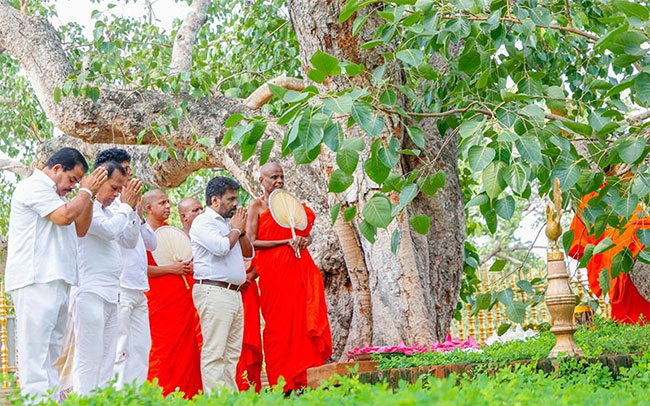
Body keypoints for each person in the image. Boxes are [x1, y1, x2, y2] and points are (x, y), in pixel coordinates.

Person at [5, 148, 106, 401]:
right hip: (35, 278)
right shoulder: (33, 186)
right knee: (35, 355)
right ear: (57, 168)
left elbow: (81, 227)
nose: (73, 187)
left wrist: (89, 196)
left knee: (51, 354)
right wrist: (86, 191)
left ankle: (47, 401)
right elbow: (65, 217)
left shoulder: (61, 196)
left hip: (59, 279)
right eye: (72, 179)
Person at [246, 162, 332, 391]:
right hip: (274, 276)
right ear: (261, 180)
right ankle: (283, 384)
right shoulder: (256, 206)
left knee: (304, 323)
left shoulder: (291, 205)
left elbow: (307, 234)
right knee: (279, 327)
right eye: (273, 177)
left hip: (299, 269)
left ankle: (307, 379)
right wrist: (284, 242)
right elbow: (251, 242)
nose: (279, 181)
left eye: (281, 177)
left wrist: (304, 240)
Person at [72, 160, 142, 395]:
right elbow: (110, 230)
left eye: (122, 189)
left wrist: (131, 208)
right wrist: (126, 207)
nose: (117, 194)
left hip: (113, 294)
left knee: (106, 361)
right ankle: (84, 400)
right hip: (89, 292)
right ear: (99, 180)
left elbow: (130, 241)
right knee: (88, 360)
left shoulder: (114, 211)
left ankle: (100, 401)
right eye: (114, 188)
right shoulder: (85, 208)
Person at [94, 149, 158, 388]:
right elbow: (124, 240)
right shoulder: (106, 204)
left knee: (141, 347)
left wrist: (136, 211)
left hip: (138, 286)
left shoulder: (129, 203)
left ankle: (136, 396)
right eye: (124, 168)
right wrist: (127, 207)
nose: (130, 173)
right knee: (119, 349)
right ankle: (117, 396)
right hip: (119, 285)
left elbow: (151, 243)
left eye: (129, 169)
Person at [190, 176, 253, 392]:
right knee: (215, 352)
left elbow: (248, 253)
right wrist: (235, 229)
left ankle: (229, 398)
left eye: (236, 198)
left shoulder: (230, 223)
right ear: (215, 200)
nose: (235, 203)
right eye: (230, 199)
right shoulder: (202, 222)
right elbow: (220, 247)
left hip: (234, 294)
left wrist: (241, 230)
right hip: (213, 290)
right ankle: (216, 399)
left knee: (232, 353)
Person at [144, 189, 203, 398]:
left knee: (188, 349)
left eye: (168, 202)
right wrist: (172, 269)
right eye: (162, 203)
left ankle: (189, 395)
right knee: (162, 350)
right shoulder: (142, 235)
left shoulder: (171, 232)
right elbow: (140, 268)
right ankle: (161, 395)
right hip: (158, 301)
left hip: (182, 297)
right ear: (149, 209)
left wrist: (185, 266)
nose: (168, 206)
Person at [570, 190, 650, 324]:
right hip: (632, 251)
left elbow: (576, 248)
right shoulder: (623, 194)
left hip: (622, 260)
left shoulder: (591, 200)